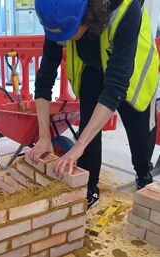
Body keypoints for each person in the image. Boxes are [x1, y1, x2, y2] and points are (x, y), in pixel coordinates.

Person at [29, 0, 159, 209]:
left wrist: (77, 146)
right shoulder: (57, 15)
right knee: (87, 128)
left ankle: (143, 174)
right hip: (93, 67)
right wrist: (44, 137)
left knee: (140, 137)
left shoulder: (126, 9)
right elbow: (44, 79)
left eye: (70, 33)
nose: (64, 39)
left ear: (87, 14)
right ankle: (89, 189)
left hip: (133, 73)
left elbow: (116, 87)